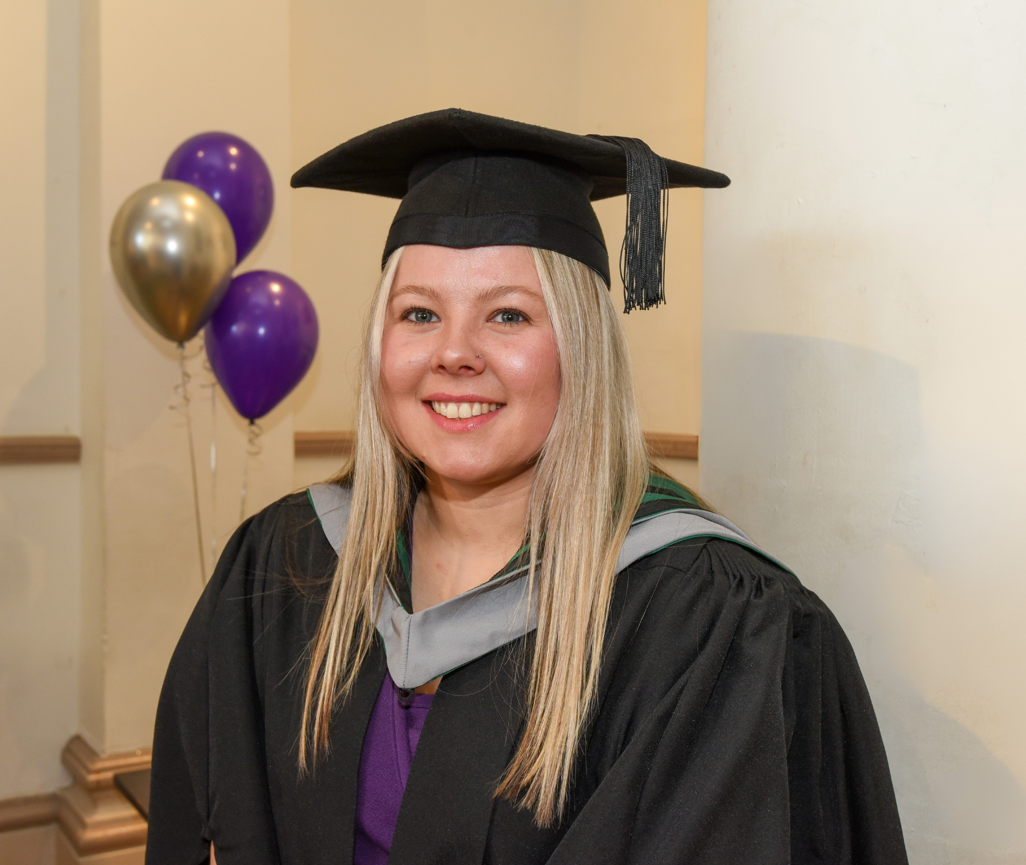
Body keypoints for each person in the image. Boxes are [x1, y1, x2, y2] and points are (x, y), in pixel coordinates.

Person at [146, 109, 909, 865]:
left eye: (508, 315)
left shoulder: (706, 624)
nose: (454, 353)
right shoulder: (286, 568)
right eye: (419, 313)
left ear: (581, 351)